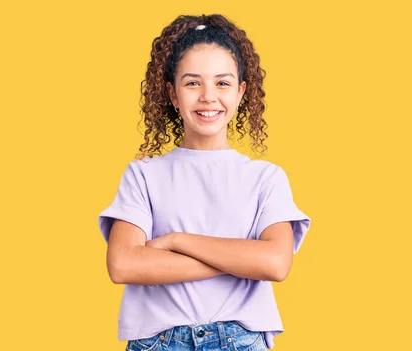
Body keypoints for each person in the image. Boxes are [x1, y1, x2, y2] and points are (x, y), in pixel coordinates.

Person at [97, 14, 311, 351]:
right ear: (172, 92)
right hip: (159, 342)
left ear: (241, 92)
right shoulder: (142, 175)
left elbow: (274, 263)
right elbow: (123, 264)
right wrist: (238, 261)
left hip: (241, 340)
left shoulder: (265, 178)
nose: (208, 96)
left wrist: (177, 240)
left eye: (222, 83)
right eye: (193, 82)